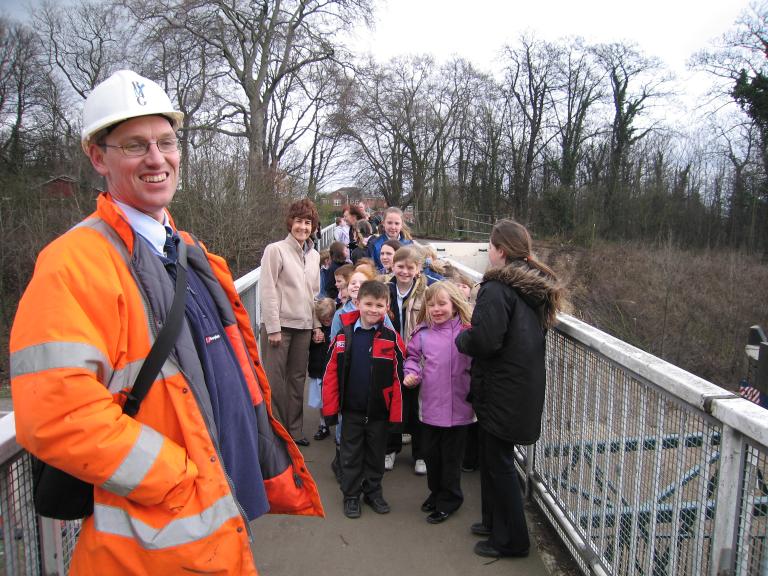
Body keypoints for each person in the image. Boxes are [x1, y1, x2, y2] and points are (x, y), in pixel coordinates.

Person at [9, 70, 322, 575]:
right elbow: (54, 415)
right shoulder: (73, 264)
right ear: (98, 156)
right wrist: (177, 476)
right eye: (135, 145)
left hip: (221, 507)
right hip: (159, 537)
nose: (157, 159)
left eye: (166, 142)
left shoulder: (190, 251)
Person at [456, 218, 567, 559]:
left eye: (489, 246)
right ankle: (494, 523)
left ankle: (514, 540)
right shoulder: (532, 289)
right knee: (494, 459)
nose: (488, 251)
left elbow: (486, 340)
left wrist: (462, 337)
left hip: (502, 388)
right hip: (521, 386)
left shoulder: (497, 288)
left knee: (499, 462)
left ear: (499, 251)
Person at [322, 280, 405, 519]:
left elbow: (398, 380)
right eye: (368, 304)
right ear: (357, 303)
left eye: (379, 305)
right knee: (350, 455)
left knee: (376, 455)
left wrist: (396, 416)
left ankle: (373, 492)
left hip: (379, 411)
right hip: (352, 410)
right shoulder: (343, 336)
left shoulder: (391, 339)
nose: (373, 309)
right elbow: (330, 375)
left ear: (387, 307)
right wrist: (330, 410)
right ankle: (350, 495)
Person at [404, 282, 474, 524]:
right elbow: (412, 358)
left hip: (460, 409)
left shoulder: (468, 332)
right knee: (431, 456)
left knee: (451, 460)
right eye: (431, 304)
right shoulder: (422, 333)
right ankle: (436, 493)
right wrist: (411, 373)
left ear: (455, 304)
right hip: (431, 407)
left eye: (442, 304)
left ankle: (450, 500)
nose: (436, 309)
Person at [259, 198, 323, 447]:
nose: (303, 227)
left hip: (304, 327)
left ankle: (294, 430)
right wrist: (273, 327)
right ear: (290, 223)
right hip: (280, 328)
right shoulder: (275, 250)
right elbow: (268, 290)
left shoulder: (315, 255)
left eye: (308, 222)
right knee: (275, 381)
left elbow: (314, 294)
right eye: (299, 221)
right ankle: (276, 431)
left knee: (298, 380)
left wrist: (316, 324)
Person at [384, 246, 428, 475]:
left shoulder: (425, 292)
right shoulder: (385, 290)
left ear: (418, 269)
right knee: (392, 405)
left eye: (410, 267)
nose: (404, 271)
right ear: (393, 266)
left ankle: (421, 454)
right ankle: (390, 449)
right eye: (400, 266)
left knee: (417, 407)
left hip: (416, 358)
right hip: (391, 356)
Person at [307, 298, 336, 441]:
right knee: (320, 401)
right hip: (317, 369)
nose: (328, 320)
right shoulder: (315, 331)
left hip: (331, 372)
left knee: (333, 399)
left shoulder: (336, 327)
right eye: (324, 318)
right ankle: (323, 424)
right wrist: (313, 340)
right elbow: (308, 347)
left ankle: (337, 423)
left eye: (330, 317)